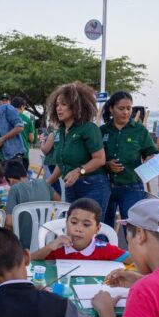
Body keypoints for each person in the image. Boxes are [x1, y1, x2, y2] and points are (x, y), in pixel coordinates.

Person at [47, 82, 109, 216]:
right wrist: (47, 183)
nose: (59, 108)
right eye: (57, 105)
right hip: (70, 187)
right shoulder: (60, 132)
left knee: (91, 230)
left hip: (93, 186)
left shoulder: (88, 128)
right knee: (72, 227)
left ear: (76, 106)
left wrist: (79, 171)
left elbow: (100, 159)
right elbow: (63, 164)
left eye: (64, 104)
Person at [101, 91, 159, 227]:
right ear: (111, 109)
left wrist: (148, 162)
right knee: (103, 228)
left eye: (129, 108)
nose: (126, 112)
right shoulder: (103, 130)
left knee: (132, 228)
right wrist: (107, 164)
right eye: (121, 108)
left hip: (131, 186)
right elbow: (95, 156)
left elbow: (150, 153)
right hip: (105, 186)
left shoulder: (139, 130)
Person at [31, 198, 130, 261]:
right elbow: (28, 261)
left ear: (97, 229)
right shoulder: (57, 248)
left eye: (86, 224)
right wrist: (50, 247)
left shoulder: (103, 248)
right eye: (74, 222)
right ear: (66, 223)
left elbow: (135, 259)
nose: (78, 229)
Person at [3, 159, 60, 249]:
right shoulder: (43, 183)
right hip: (46, 241)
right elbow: (58, 200)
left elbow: (9, 222)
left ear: (11, 180)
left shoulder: (14, 190)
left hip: (23, 245)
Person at [11, 96, 35, 165]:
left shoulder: (8, 118)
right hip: (24, 154)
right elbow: (31, 139)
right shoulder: (28, 120)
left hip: (10, 153)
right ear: (22, 107)